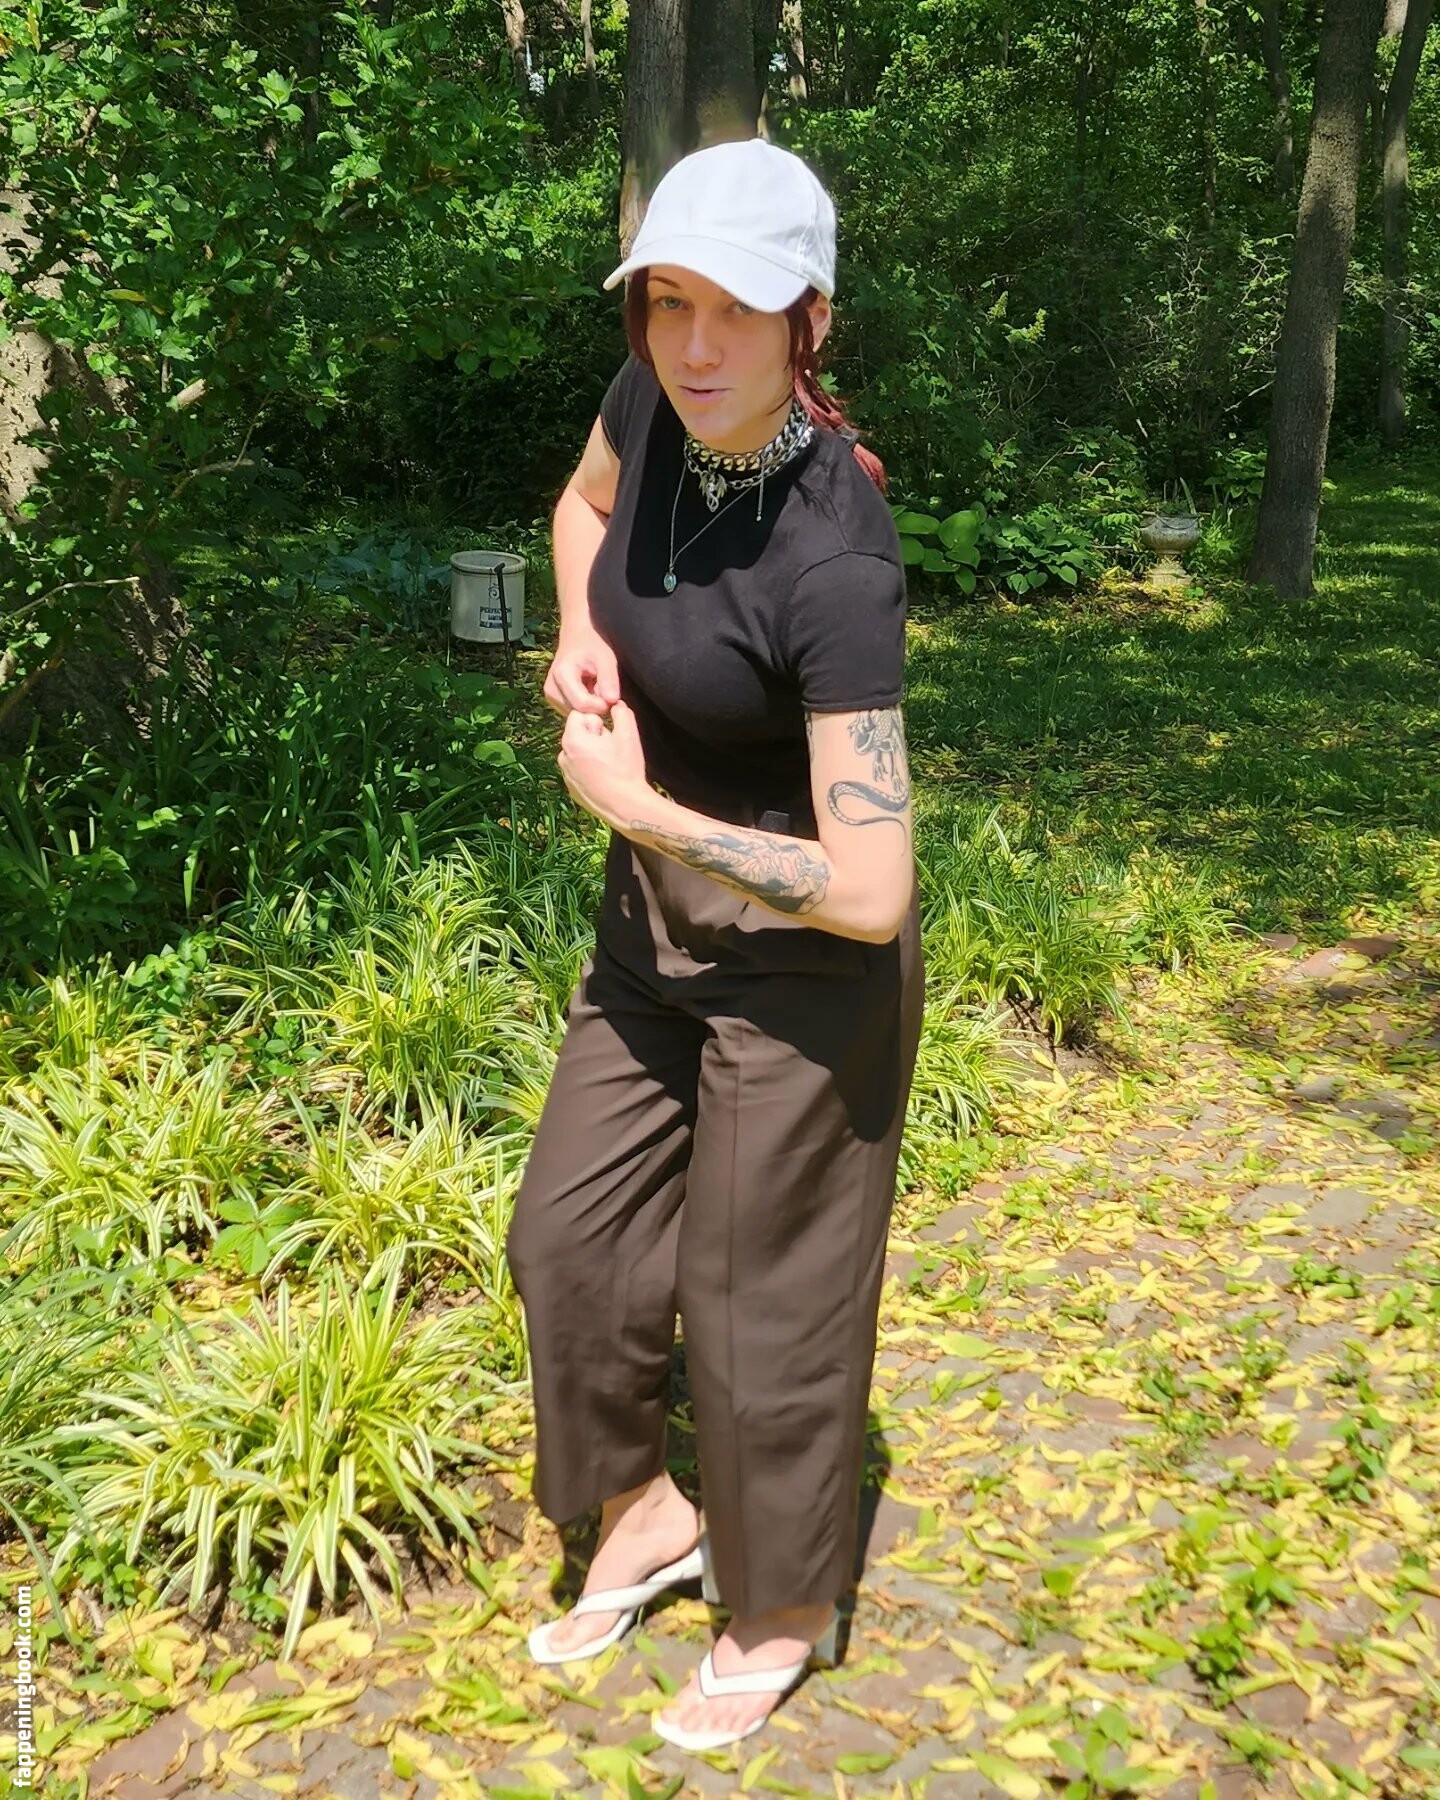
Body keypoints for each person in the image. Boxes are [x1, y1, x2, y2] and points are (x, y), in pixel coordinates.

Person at [504, 136, 924, 1755]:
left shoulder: (837, 555)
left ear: (809, 320)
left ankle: (779, 1608)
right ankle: (643, 1519)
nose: (693, 345)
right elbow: (578, 508)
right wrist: (579, 633)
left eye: (736, 309)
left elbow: (870, 886)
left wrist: (638, 807)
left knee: (757, 1309)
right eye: (667, 301)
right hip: (652, 936)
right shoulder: (646, 409)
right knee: (569, 1239)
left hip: (804, 967)